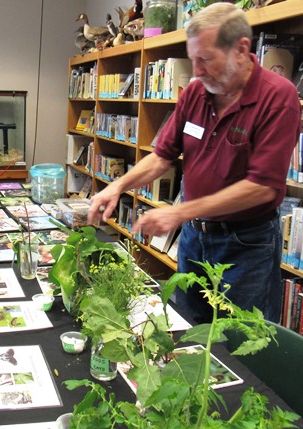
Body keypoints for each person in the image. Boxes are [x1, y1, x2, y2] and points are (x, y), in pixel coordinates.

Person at [88, 3, 301, 324]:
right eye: (193, 60)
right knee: (188, 331)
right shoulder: (196, 93)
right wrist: (117, 186)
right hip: (194, 238)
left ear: (241, 50)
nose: (197, 71)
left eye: (206, 59)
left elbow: (261, 187)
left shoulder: (277, 96)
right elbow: (162, 155)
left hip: (245, 245)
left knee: (239, 343)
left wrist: (179, 212)